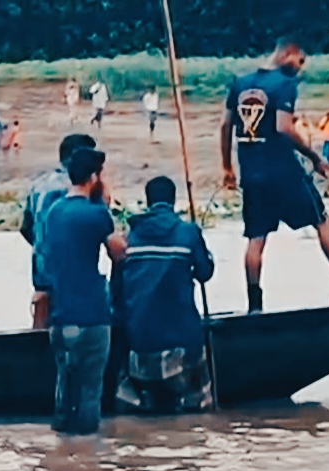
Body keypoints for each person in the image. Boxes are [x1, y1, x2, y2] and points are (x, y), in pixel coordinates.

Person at [219, 37, 329, 314]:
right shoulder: (284, 84)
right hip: (284, 172)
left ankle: (254, 306)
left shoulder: (239, 84)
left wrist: (227, 168)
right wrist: (315, 158)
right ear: (288, 53)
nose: (300, 68)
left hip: (253, 175)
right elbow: (283, 128)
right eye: (300, 61)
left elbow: (225, 126)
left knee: (256, 238)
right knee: (322, 221)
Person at [43, 148, 127, 434]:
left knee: (64, 392)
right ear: (95, 176)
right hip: (92, 315)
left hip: (60, 316)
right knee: (90, 393)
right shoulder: (97, 215)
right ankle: (89, 457)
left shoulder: (54, 212)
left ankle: (64, 455)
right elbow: (118, 254)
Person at [115, 176, 215, 412]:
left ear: (148, 201)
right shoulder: (188, 232)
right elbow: (205, 272)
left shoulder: (128, 238)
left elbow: (116, 292)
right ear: (173, 200)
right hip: (183, 341)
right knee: (198, 408)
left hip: (139, 343)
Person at [20, 133, 97, 329]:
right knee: (74, 332)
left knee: (42, 327)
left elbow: (25, 228)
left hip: (41, 269)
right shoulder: (79, 189)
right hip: (71, 272)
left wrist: (42, 245)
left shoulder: (39, 184)